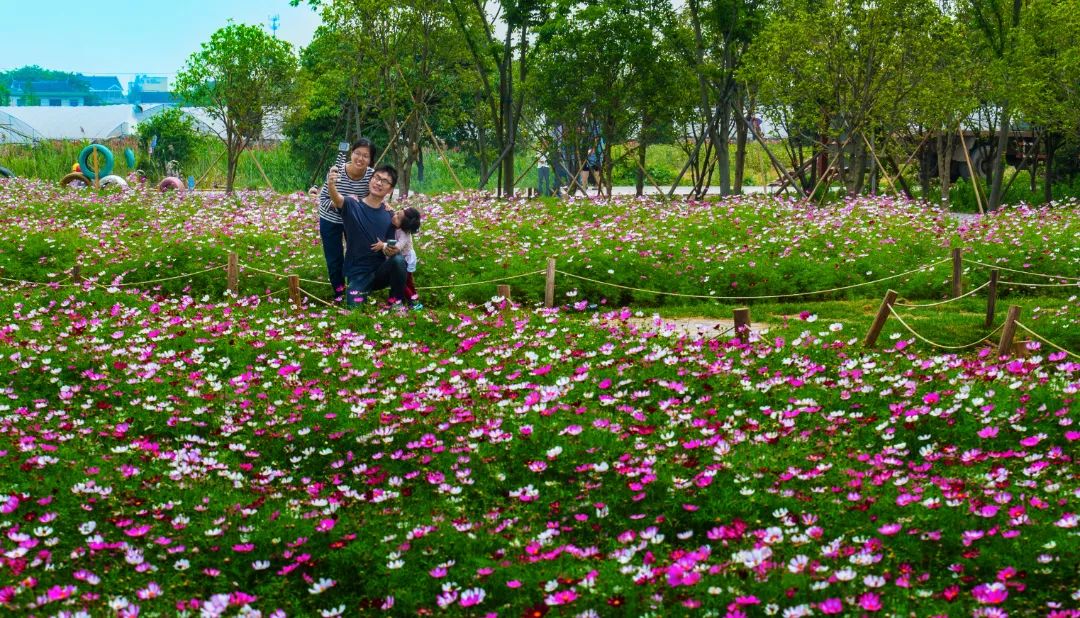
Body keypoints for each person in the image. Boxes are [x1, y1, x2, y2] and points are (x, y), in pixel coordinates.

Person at [327, 164, 407, 308]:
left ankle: (396, 303)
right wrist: (331, 184)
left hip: (380, 272)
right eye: (376, 177)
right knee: (354, 313)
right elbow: (338, 200)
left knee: (399, 260)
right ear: (370, 180)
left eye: (385, 181)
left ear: (390, 189)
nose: (378, 183)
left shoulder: (389, 215)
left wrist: (390, 249)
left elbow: (390, 243)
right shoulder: (353, 204)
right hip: (358, 274)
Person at [316, 139, 376, 299]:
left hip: (354, 221)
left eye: (366, 156)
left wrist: (385, 207)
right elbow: (323, 199)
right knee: (334, 258)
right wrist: (343, 205)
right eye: (357, 153)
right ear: (351, 153)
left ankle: (355, 290)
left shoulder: (371, 175)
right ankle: (339, 293)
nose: (360, 158)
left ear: (370, 160)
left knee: (356, 254)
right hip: (330, 218)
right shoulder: (336, 171)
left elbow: (374, 198)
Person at [373, 207, 422, 309]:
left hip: (407, 259)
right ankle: (405, 300)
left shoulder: (404, 233)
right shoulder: (398, 224)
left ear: (404, 225)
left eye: (398, 217)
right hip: (401, 259)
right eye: (397, 213)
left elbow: (397, 248)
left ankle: (413, 302)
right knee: (402, 281)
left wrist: (383, 245)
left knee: (404, 282)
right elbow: (394, 213)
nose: (394, 216)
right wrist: (387, 206)